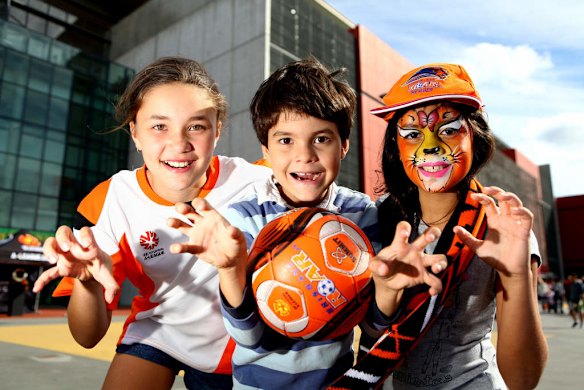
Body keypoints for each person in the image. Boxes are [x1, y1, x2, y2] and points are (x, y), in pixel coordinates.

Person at [168, 58, 448, 388]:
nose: (305, 155)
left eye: (321, 139)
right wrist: (231, 269)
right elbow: (251, 339)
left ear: (343, 146)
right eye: (286, 140)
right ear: (266, 150)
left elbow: (374, 333)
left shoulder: (363, 216)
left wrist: (387, 290)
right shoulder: (244, 218)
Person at [32, 57, 272, 389]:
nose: (179, 144)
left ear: (217, 130)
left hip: (239, 343)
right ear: (135, 133)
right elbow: (86, 337)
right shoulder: (112, 198)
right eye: (159, 126)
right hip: (158, 332)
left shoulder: (260, 182)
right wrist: (87, 283)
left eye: (196, 126)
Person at [367, 63, 548, 389]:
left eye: (449, 129)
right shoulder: (380, 220)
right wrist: (385, 295)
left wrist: (517, 275)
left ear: (476, 138)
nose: (431, 145)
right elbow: (372, 340)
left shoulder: (502, 225)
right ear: (396, 148)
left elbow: (523, 380)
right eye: (411, 134)